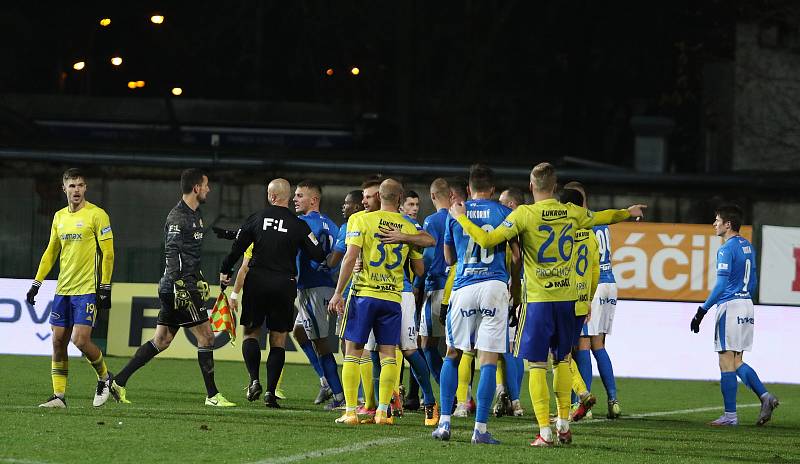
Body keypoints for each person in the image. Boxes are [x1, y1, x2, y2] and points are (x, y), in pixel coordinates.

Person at [450, 162, 645, 447]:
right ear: (555, 187)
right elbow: (602, 216)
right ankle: (564, 424)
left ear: (531, 187)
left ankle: (544, 431)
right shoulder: (571, 212)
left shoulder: (524, 214)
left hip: (539, 302)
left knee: (538, 365)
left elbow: (488, 239)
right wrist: (628, 212)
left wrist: (461, 218)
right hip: (567, 300)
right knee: (563, 360)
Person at [111, 169, 235, 407]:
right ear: (196, 188)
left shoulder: (196, 215)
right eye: (206, 185)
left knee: (162, 339)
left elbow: (190, 255)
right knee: (207, 337)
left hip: (183, 284)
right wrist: (181, 284)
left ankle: (118, 382)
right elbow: (173, 252)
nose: (209, 189)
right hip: (179, 287)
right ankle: (212, 396)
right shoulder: (178, 217)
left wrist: (198, 278)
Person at [432, 164, 520, 444]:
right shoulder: (504, 212)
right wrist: (515, 290)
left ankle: (445, 423)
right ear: (493, 190)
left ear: (468, 189)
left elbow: (448, 259)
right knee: (489, 360)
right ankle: (479, 430)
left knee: (452, 353)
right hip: (495, 287)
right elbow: (517, 257)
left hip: (464, 285)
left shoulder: (455, 212)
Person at [219, 178, 325, 408]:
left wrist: (225, 270)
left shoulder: (256, 218)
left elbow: (237, 248)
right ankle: (270, 393)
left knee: (251, 333)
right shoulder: (298, 224)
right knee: (278, 339)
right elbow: (317, 253)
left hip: (256, 281)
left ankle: (254, 380)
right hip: (284, 283)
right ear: (287, 197)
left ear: (271, 196)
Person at [328, 178, 425, 425]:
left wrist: (339, 291)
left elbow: (350, 257)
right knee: (388, 355)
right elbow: (418, 269)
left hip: (365, 295)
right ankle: (383, 412)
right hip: (392, 297)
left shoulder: (360, 219)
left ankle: (350, 411)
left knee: (353, 351)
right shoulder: (408, 226)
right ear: (401, 198)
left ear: (379, 196)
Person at [28, 168, 115, 408]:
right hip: (63, 290)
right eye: (72, 186)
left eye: (80, 185)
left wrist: (105, 286)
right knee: (57, 342)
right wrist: (37, 283)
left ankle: (105, 377)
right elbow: (51, 252)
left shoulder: (97, 215)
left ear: (86, 188)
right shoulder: (59, 217)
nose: (76, 190)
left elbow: (108, 253)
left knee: (80, 340)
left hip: (87, 288)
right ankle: (59, 397)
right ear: (63, 189)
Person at [690, 204, 779, 426]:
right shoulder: (748, 246)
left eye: (717, 220)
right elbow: (755, 281)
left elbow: (720, 285)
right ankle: (766, 397)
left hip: (730, 306)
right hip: (747, 304)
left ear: (728, 224)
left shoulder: (726, 249)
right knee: (737, 360)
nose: (714, 224)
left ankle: (730, 416)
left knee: (725, 361)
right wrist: (744, 296)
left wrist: (702, 310)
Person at [564, 181, 620, 420]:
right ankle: (613, 400)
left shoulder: (580, 222)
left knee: (582, 346)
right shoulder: (602, 220)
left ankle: (582, 404)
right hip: (610, 283)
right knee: (599, 346)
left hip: (592, 286)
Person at [291, 180, 345, 408]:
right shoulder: (331, 225)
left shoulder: (302, 223)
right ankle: (325, 380)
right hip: (326, 285)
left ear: (314, 200)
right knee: (299, 332)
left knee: (320, 342)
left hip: (312, 287)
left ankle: (339, 395)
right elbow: (338, 253)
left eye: (300, 195)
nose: (295, 199)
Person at [557, 187, 598, 422]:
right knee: (566, 353)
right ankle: (579, 397)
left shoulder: (562, 231)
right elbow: (594, 272)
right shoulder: (590, 235)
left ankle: (575, 400)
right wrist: (589, 300)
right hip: (582, 300)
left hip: (561, 297)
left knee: (557, 356)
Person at [419, 178, 452, 384]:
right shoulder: (461, 217)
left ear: (432, 196)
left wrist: (416, 285)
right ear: (450, 195)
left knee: (427, 344)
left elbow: (428, 257)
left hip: (437, 287)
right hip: (458, 286)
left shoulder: (431, 221)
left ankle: (448, 389)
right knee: (457, 347)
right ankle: (464, 395)